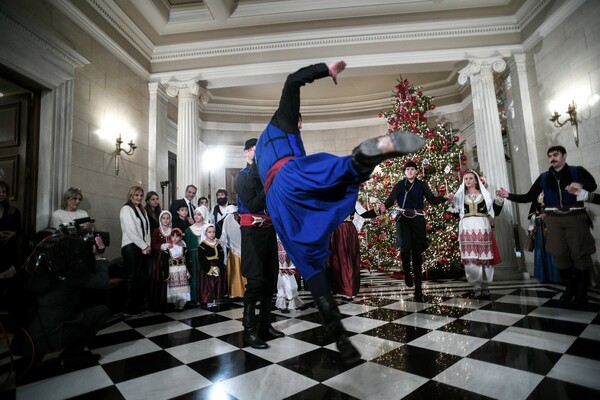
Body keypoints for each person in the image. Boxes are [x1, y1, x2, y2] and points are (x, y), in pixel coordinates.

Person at [253, 61, 425, 362]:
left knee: (311, 259)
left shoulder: (263, 145)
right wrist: (325, 69)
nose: (299, 126)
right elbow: (293, 80)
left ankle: (338, 334)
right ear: (298, 121)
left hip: (278, 205)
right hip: (288, 176)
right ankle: (362, 158)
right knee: (331, 173)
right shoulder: (285, 122)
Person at [497, 145, 597, 306]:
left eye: (556, 154)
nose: (552, 158)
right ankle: (569, 287)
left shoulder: (577, 171)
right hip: (553, 219)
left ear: (564, 155)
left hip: (575, 216)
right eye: (550, 155)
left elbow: (592, 185)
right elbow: (529, 196)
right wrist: (508, 195)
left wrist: (580, 185)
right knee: (559, 254)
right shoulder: (544, 177)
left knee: (579, 253)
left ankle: (581, 291)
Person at [21, 231, 109, 368]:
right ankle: (71, 354)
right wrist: (99, 256)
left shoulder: (34, 268)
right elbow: (103, 283)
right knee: (102, 311)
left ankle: (36, 353)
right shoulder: (72, 270)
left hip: (26, 338)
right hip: (53, 335)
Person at [235, 137, 284, 349]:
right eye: (255, 149)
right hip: (252, 232)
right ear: (246, 152)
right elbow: (254, 203)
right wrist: (266, 186)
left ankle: (265, 326)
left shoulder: (268, 177)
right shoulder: (241, 177)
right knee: (255, 281)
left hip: (269, 231)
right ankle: (249, 330)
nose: (258, 152)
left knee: (269, 280)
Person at [379, 161, 450, 299]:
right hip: (403, 220)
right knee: (405, 249)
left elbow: (432, 200)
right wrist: (383, 207)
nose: (410, 171)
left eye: (412, 169)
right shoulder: (400, 185)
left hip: (417, 219)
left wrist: (444, 198)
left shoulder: (421, 184)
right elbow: (390, 200)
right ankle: (407, 272)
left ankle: (418, 288)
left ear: (416, 171)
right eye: (408, 169)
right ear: (405, 172)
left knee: (417, 253)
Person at [449, 171, 504, 300]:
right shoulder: (460, 196)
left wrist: (500, 198)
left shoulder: (485, 195)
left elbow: (495, 211)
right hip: (466, 228)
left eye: (470, 178)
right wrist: (452, 202)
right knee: (471, 258)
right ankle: (476, 287)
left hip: (482, 227)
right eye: (465, 178)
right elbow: (456, 214)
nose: (467, 180)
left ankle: (486, 286)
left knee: (485, 258)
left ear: (476, 181)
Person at [120, 185, 151, 317]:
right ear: (130, 196)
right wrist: (144, 246)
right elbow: (131, 231)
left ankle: (138, 304)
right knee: (131, 277)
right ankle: (129, 308)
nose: (139, 198)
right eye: (136, 195)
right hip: (130, 246)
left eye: (141, 195)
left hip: (141, 246)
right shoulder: (126, 209)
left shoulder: (142, 210)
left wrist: (147, 245)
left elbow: (147, 230)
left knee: (139, 277)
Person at [527, 197, 561, 283]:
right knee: (541, 252)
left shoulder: (554, 195)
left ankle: (556, 276)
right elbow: (533, 214)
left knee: (554, 251)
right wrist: (531, 227)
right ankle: (544, 276)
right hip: (540, 228)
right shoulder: (537, 197)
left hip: (553, 225)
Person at [220, 204, 246, 300]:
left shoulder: (237, 224)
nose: (236, 216)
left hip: (237, 253)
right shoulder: (231, 223)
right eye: (234, 214)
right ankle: (239, 291)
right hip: (236, 253)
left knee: (238, 273)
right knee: (236, 273)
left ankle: (239, 291)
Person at [0, 181, 22, 297]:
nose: (1, 194)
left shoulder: (13, 211)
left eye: (4, 191)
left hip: (8, 252)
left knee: (9, 288)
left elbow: (19, 231)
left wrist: (13, 234)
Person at [275, 234, 306, 313]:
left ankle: (283, 303)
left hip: (287, 242)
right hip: (280, 244)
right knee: (284, 274)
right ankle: (294, 301)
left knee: (284, 275)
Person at [184, 207, 207, 306]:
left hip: (205, 257)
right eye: (195, 214)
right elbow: (187, 246)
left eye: (199, 214)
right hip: (193, 257)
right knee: (194, 277)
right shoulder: (189, 230)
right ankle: (194, 297)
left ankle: (205, 296)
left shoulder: (208, 228)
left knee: (205, 277)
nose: (196, 216)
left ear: (203, 215)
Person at [150, 210, 172, 312]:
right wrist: (163, 246)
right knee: (160, 280)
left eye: (167, 218)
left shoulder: (173, 230)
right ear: (160, 219)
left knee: (170, 279)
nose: (166, 220)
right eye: (163, 218)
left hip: (170, 259)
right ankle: (158, 304)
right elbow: (153, 245)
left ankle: (170, 303)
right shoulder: (156, 231)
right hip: (159, 259)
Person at [198, 224, 224, 310]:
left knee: (216, 284)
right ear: (205, 233)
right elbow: (201, 259)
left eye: (213, 232)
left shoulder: (217, 244)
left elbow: (221, 256)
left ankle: (214, 300)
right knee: (208, 285)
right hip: (207, 268)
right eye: (209, 232)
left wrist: (218, 267)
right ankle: (208, 301)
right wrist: (210, 269)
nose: (212, 234)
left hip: (217, 267)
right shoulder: (202, 245)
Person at [165, 228, 190, 311]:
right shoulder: (168, 249)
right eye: (173, 236)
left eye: (177, 236)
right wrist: (166, 274)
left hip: (182, 270)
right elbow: (165, 262)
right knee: (174, 288)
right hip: (172, 271)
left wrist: (188, 272)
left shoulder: (184, 248)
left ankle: (181, 305)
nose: (175, 238)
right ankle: (175, 304)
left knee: (182, 288)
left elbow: (187, 262)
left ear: (180, 237)